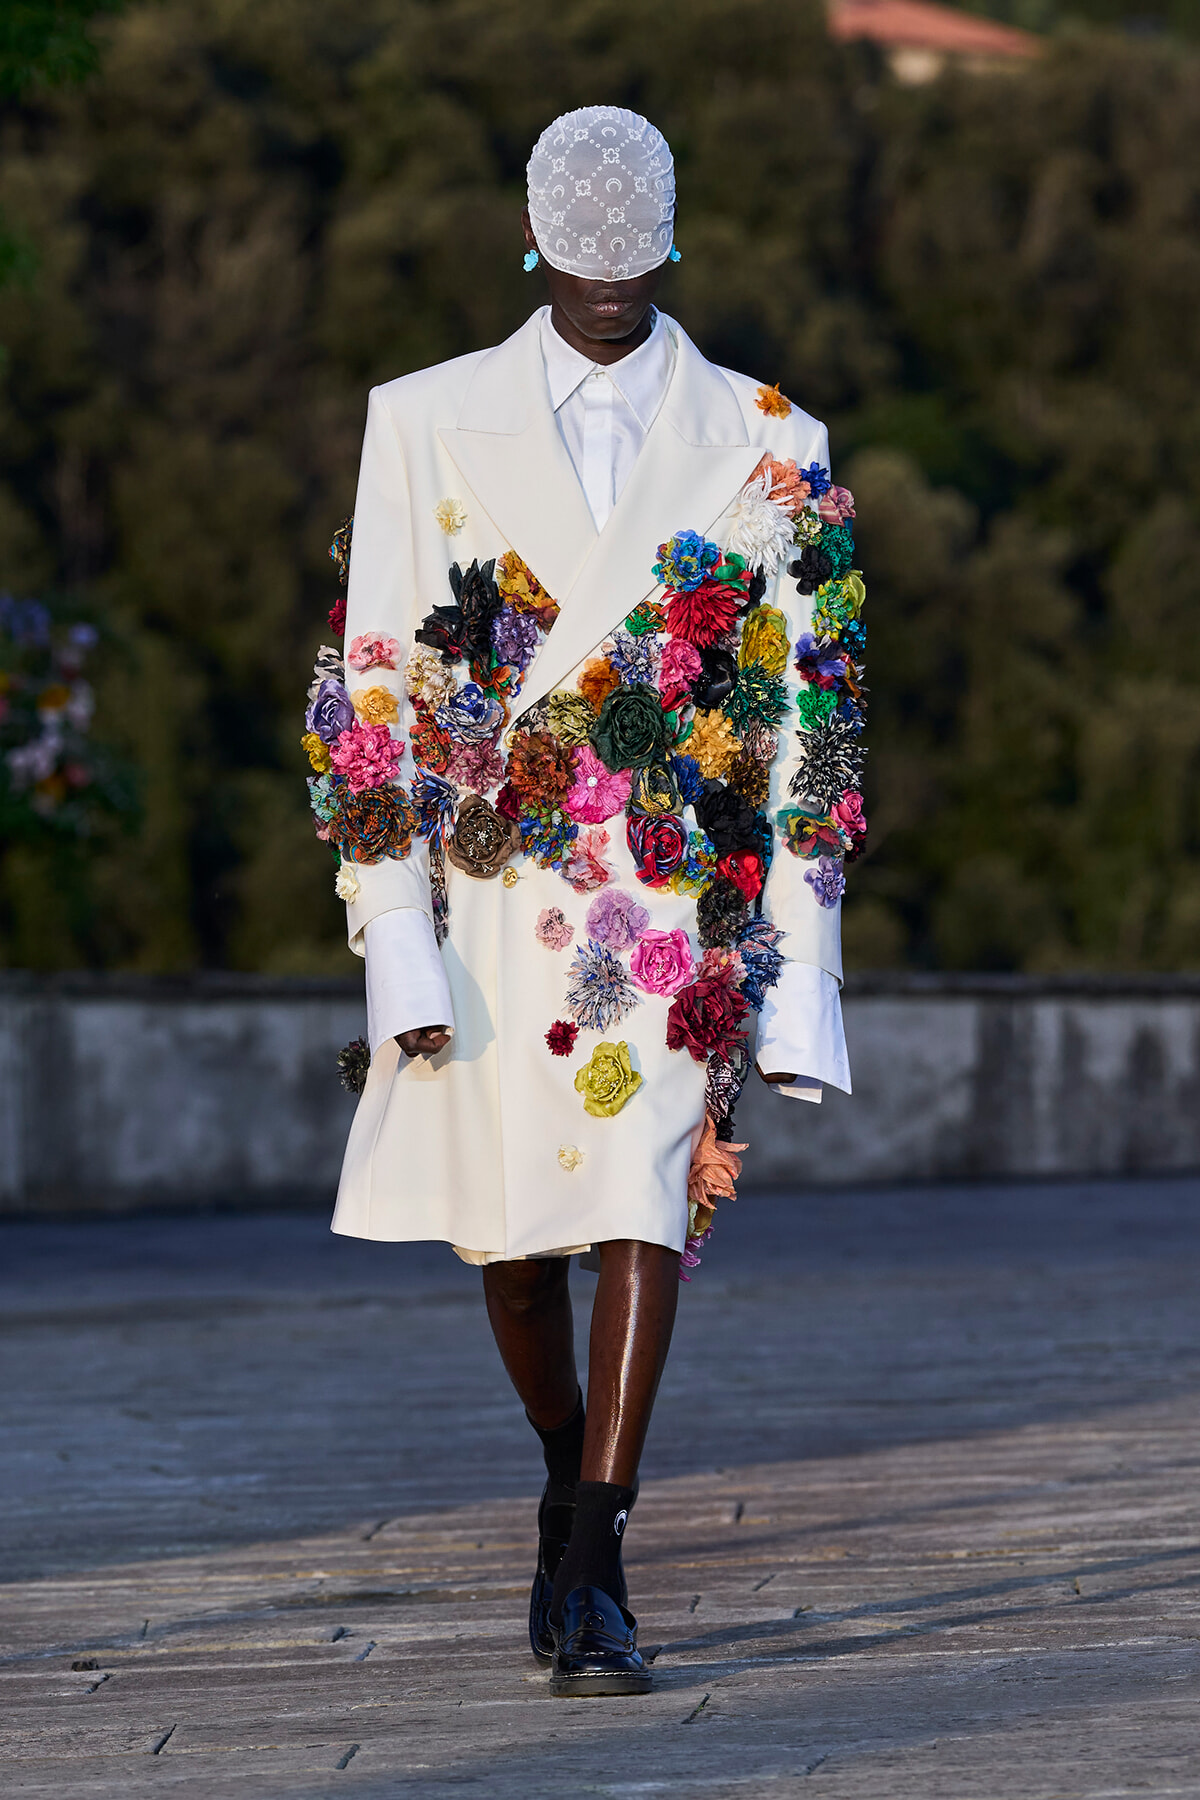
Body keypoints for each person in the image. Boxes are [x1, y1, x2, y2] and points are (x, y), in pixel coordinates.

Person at [303, 105, 862, 1697]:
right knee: (509, 1243)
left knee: (639, 1198)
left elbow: (816, 718)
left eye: (637, 248)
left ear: (673, 238)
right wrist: (392, 927)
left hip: (673, 898)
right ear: (532, 238)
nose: (610, 280)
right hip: (487, 899)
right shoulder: (420, 418)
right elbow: (378, 689)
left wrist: (805, 962)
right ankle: (566, 1471)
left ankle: (601, 1550)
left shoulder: (775, 438)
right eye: (581, 246)